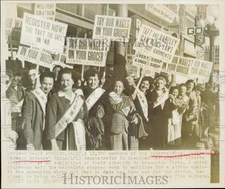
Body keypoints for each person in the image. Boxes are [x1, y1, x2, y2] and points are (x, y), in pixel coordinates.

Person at [44, 68, 87, 151]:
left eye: (68, 80)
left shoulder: (78, 98)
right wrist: (53, 142)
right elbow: (50, 121)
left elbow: (82, 116)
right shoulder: (55, 97)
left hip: (74, 137)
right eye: (63, 80)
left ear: (73, 81)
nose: (65, 83)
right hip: (59, 138)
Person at [22, 72, 54, 150]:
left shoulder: (52, 96)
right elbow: (27, 120)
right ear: (40, 82)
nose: (47, 87)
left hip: (47, 136)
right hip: (35, 135)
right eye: (45, 84)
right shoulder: (31, 96)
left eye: (50, 84)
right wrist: (29, 141)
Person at [148, 76, 176, 150]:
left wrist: (172, 101)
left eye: (161, 83)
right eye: (158, 83)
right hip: (155, 117)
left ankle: (162, 148)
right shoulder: (151, 93)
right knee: (155, 133)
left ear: (164, 85)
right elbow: (150, 106)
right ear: (155, 84)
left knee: (163, 134)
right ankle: (154, 147)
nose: (159, 84)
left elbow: (170, 107)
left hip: (164, 117)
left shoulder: (166, 94)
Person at [83, 68, 106, 150]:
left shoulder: (103, 93)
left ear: (99, 80)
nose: (93, 82)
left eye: (95, 79)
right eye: (90, 79)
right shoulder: (82, 92)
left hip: (98, 128)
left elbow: (108, 112)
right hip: (85, 127)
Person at [109, 80, 135, 150]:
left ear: (123, 88)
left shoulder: (126, 97)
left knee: (125, 149)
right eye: (116, 86)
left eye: (120, 87)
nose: (117, 89)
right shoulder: (111, 96)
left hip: (125, 126)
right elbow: (116, 107)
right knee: (116, 149)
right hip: (116, 126)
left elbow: (132, 110)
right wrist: (129, 100)